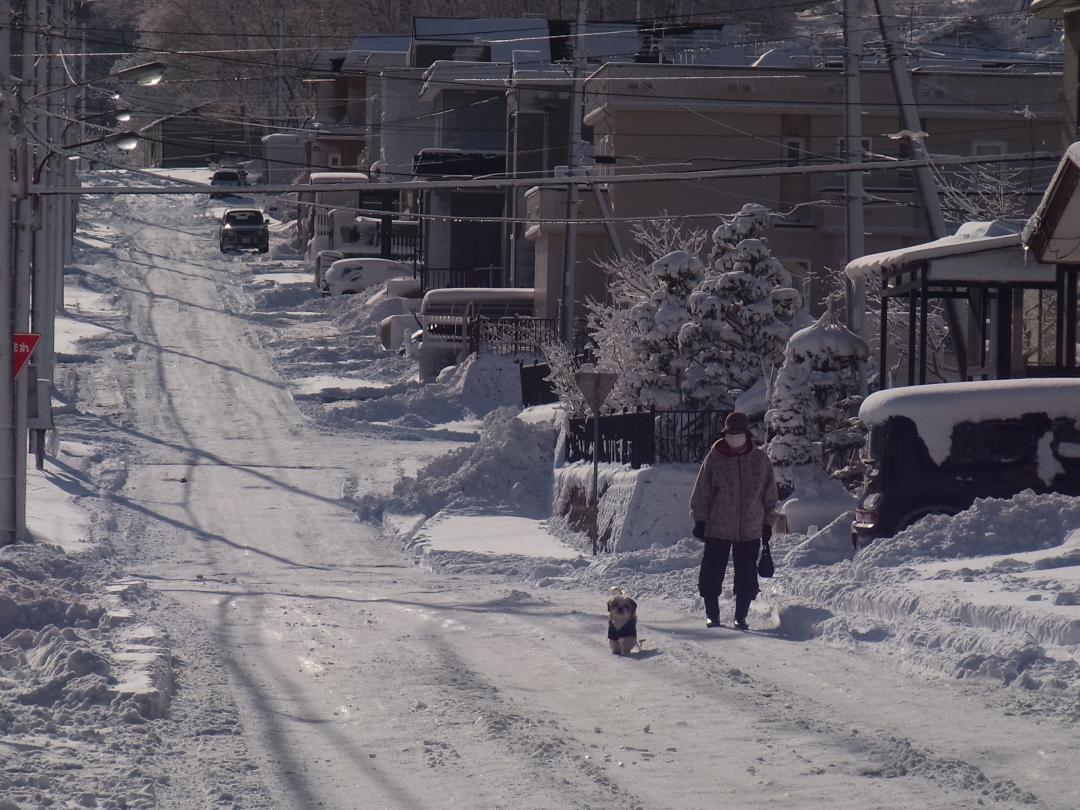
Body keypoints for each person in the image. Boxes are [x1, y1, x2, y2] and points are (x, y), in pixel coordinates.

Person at [689, 411, 778, 630]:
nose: (735, 436)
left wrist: (767, 523)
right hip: (718, 525)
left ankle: (741, 617)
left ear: (746, 433)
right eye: (731, 432)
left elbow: (769, 495)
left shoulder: (760, 460)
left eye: (739, 432)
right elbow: (702, 491)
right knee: (711, 571)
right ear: (725, 432)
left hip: (750, 527)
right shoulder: (715, 457)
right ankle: (712, 615)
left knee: (747, 574)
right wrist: (700, 519)